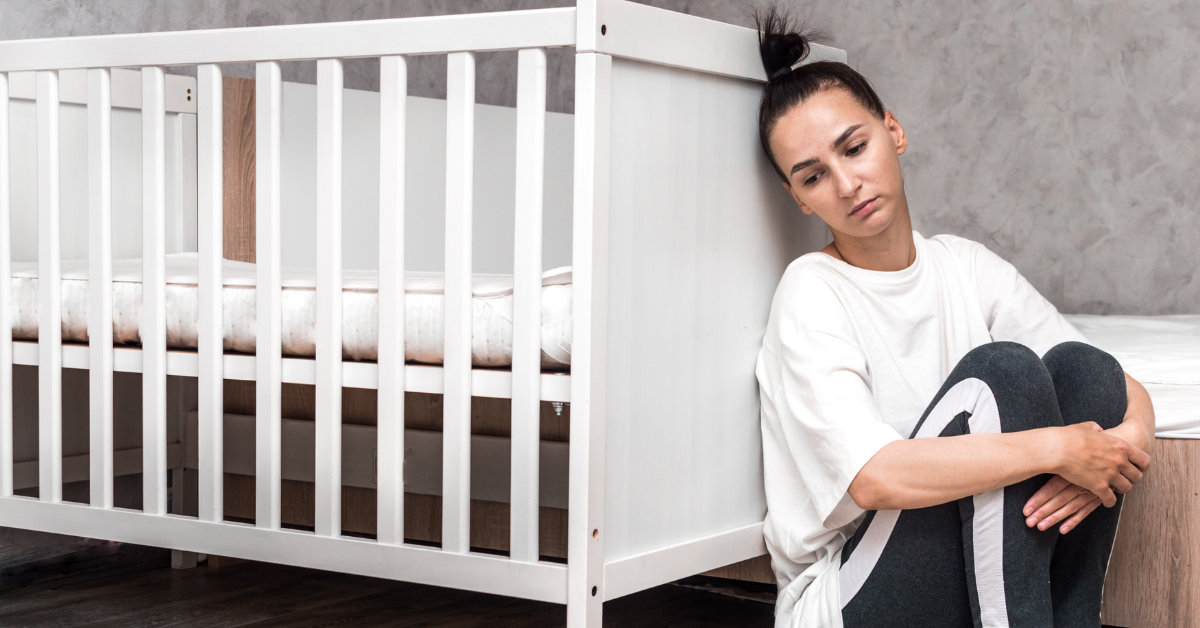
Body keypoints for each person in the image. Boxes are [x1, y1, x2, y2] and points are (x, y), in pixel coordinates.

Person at [752, 8, 1156, 628]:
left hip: (965, 570)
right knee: (1002, 375)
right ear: (797, 196)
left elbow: (1118, 390)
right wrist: (1057, 447)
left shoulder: (962, 265)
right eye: (814, 176)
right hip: (852, 597)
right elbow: (874, 480)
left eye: (854, 147)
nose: (847, 183)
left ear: (894, 131)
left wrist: (1119, 448)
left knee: (1084, 369)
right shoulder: (811, 292)